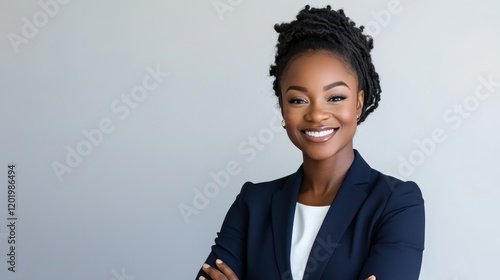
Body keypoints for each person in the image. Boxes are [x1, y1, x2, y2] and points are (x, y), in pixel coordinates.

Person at [196, 5, 425, 280]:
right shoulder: (253, 204)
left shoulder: (395, 203)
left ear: (358, 103)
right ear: (283, 109)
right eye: (298, 100)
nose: (316, 114)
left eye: (336, 97)